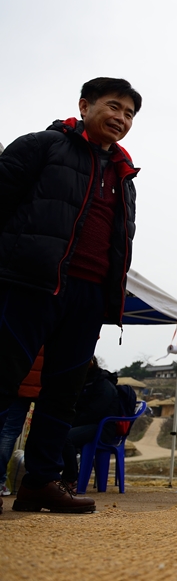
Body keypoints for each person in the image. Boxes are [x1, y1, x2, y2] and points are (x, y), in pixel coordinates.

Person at [0, 77, 142, 514]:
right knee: (3, 379)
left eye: (129, 114)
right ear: (84, 106)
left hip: (88, 296)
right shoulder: (42, 146)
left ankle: (40, 482)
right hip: (29, 283)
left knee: (63, 394)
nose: (121, 118)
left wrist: (106, 297)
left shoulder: (124, 176)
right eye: (113, 106)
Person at [60, 359, 121, 488]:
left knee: (65, 437)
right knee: (54, 432)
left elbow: (94, 412)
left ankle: (70, 479)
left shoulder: (104, 385)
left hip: (102, 428)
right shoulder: (85, 382)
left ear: (90, 364)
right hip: (87, 424)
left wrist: (71, 423)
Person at [0, 351, 43, 497]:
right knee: (42, 432)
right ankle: (36, 483)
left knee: (8, 432)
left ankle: (0, 481)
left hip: (20, 381)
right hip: (46, 384)